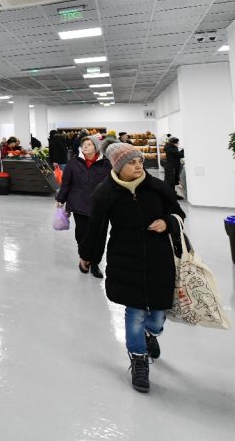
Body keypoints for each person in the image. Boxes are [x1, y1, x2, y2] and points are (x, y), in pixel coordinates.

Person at [81, 142, 186, 394]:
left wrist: (167, 223)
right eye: (132, 162)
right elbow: (96, 228)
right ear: (118, 166)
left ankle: (151, 334)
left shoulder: (157, 187)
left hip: (159, 259)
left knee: (158, 315)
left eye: (140, 161)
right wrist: (88, 255)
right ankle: (139, 359)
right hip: (125, 259)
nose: (139, 166)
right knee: (135, 311)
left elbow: (179, 214)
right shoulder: (105, 193)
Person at [56, 134, 112, 278]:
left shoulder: (106, 164)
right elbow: (66, 182)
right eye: (83, 145)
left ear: (96, 147)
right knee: (82, 234)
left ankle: (95, 263)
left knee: (99, 236)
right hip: (78, 203)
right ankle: (84, 258)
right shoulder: (73, 162)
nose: (85, 147)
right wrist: (61, 199)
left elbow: (111, 184)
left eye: (89, 144)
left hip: (100, 206)